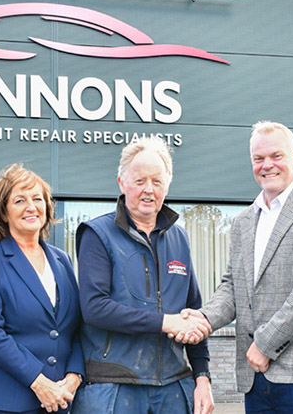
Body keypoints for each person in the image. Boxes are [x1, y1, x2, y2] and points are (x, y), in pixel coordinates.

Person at [188, 120, 293, 413]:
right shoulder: (243, 222)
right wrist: (203, 319)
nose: (267, 165)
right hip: (257, 378)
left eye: (277, 156)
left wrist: (265, 344)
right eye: (258, 158)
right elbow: (233, 287)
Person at [72, 137, 214, 414]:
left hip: (173, 387)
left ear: (167, 186)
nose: (149, 189)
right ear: (122, 183)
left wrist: (202, 376)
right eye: (139, 181)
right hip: (112, 386)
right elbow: (94, 308)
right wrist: (165, 322)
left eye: (157, 181)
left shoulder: (180, 238)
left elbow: (193, 312)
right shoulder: (97, 234)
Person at [0, 164, 84, 413]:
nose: (31, 207)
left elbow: (77, 328)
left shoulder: (63, 260)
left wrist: (75, 374)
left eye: (37, 199)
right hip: (3, 401)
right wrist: (39, 383)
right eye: (19, 200)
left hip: (59, 400)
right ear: (4, 213)